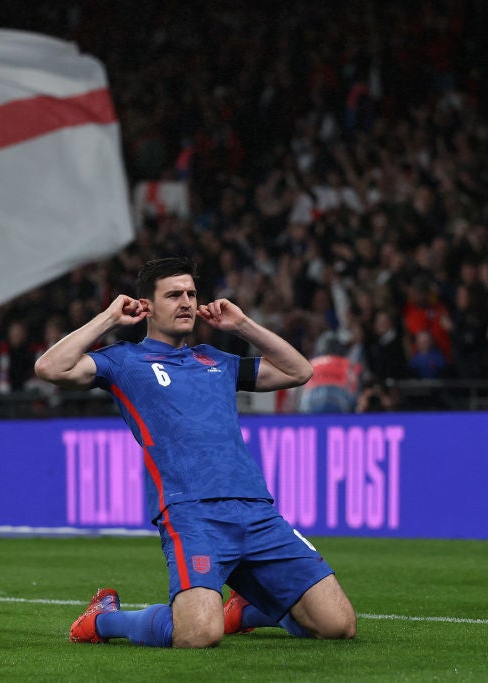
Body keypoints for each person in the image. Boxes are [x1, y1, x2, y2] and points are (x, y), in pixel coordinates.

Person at [35, 257, 356, 649]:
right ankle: (104, 619)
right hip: (191, 512)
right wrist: (107, 319)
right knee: (199, 634)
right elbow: (50, 367)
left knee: (339, 624)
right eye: (173, 295)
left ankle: (244, 610)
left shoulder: (216, 360)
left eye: (190, 293)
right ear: (146, 305)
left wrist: (242, 324)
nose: (186, 301)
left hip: (256, 509)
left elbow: (299, 372)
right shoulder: (124, 360)